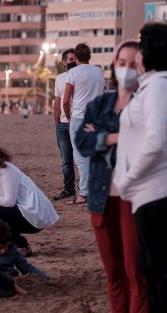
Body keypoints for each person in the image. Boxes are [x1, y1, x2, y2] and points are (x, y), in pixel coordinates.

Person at [113, 23, 167, 313]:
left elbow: (156, 139)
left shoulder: (160, 86)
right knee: (155, 265)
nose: (138, 58)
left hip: (156, 187)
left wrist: (130, 178)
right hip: (156, 186)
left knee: (160, 268)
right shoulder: (162, 84)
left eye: (143, 51)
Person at [75, 39, 148, 313]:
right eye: (122, 63)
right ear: (114, 66)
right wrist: (117, 137)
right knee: (114, 274)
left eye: (133, 64)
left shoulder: (147, 103)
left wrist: (103, 137)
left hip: (135, 199)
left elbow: (146, 143)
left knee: (136, 273)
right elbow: (82, 141)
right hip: (102, 199)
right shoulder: (100, 104)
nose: (127, 69)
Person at [0, 145, 58, 256]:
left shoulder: (6, 170)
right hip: (15, 213)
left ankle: (18, 245)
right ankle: (14, 243)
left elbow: (9, 201)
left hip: (32, 214)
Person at [63, 43, 106, 205]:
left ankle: (84, 193)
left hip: (79, 117)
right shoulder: (98, 72)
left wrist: (68, 116)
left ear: (77, 56)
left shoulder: (73, 72)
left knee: (81, 157)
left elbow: (66, 100)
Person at [52, 48, 77, 201]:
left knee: (82, 159)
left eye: (75, 59)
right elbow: (57, 101)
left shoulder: (81, 75)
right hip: (62, 124)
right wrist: (57, 123)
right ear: (64, 62)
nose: (73, 62)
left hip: (78, 122)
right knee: (66, 161)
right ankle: (69, 189)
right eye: (70, 59)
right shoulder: (59, 78)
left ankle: (84, 191)